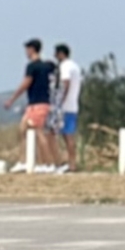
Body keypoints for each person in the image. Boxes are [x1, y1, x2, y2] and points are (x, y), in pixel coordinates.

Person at [4, 39, 57, 171]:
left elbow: (26, 83)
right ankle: (23, 160)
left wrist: (12, 99)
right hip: (37, 103)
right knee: (23, 130)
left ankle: (47, 164)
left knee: (39, 133)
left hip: (37, 103)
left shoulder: (32, 67)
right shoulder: (47, 66)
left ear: (32, 49)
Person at [54, 42, 83, 172]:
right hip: (73, 105)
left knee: (66, 136)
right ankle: (72, 163)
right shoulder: (75, 66)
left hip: (66, 106)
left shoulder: (65, 66)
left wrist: (60, 100)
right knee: (69, 135)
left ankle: (68, 163)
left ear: (61, 54)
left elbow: (66, 83)